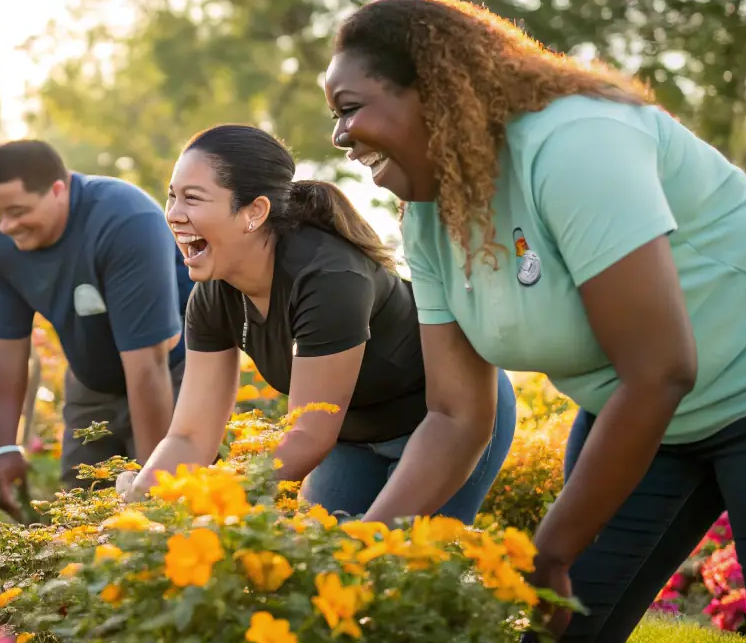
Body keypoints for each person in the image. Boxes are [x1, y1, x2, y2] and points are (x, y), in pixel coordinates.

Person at [325, 0, 746, 643]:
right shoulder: (429, 219)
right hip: (646, 413)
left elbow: (659, 367)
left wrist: (550, 546)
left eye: (349, 105)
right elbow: (453, 415)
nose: (339, 135)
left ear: (433, 88)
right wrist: (354, 557)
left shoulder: (574, 141)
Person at [119, 124, 516, 520]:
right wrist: (143, 507)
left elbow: (309, 435)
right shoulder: (212, 295)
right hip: (353, 437)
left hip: (442, 422)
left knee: (407, 564)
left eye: (193, 198)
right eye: (172, 197)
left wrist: (212, 504)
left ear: (254, 212)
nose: (173, 214)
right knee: (321, 565)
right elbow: (189, 437)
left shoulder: (329, 278)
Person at [0, 139, 192, 515]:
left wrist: (154, 488)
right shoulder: (0, 241)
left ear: (58, 190)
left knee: (170, 504)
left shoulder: (125, 220)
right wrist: (6, 446)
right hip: (90, 383)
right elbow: (6, 348)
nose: (6, 226)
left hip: (173, 376)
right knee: (80, 506)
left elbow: (148, 367)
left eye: (17, 210)